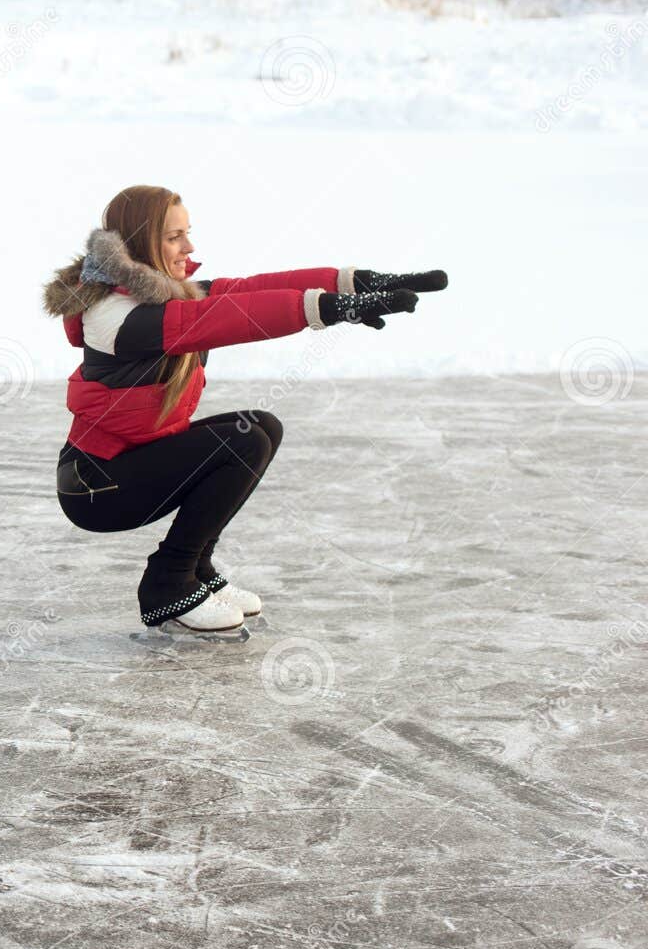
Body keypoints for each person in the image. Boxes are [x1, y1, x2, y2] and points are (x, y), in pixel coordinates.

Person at [43, 184, 446, 632]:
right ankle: (169, 582)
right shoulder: (115, 316)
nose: (189, 246)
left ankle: (196, 570)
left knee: (261, 427)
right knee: (244, 441)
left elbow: (248, 291)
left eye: (187, 233)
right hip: (97, 489)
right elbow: (224, 319)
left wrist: (348, 282)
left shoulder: (168, 294)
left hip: (133, 464)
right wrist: (328, 310)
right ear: (141, 241)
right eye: (174, 236)